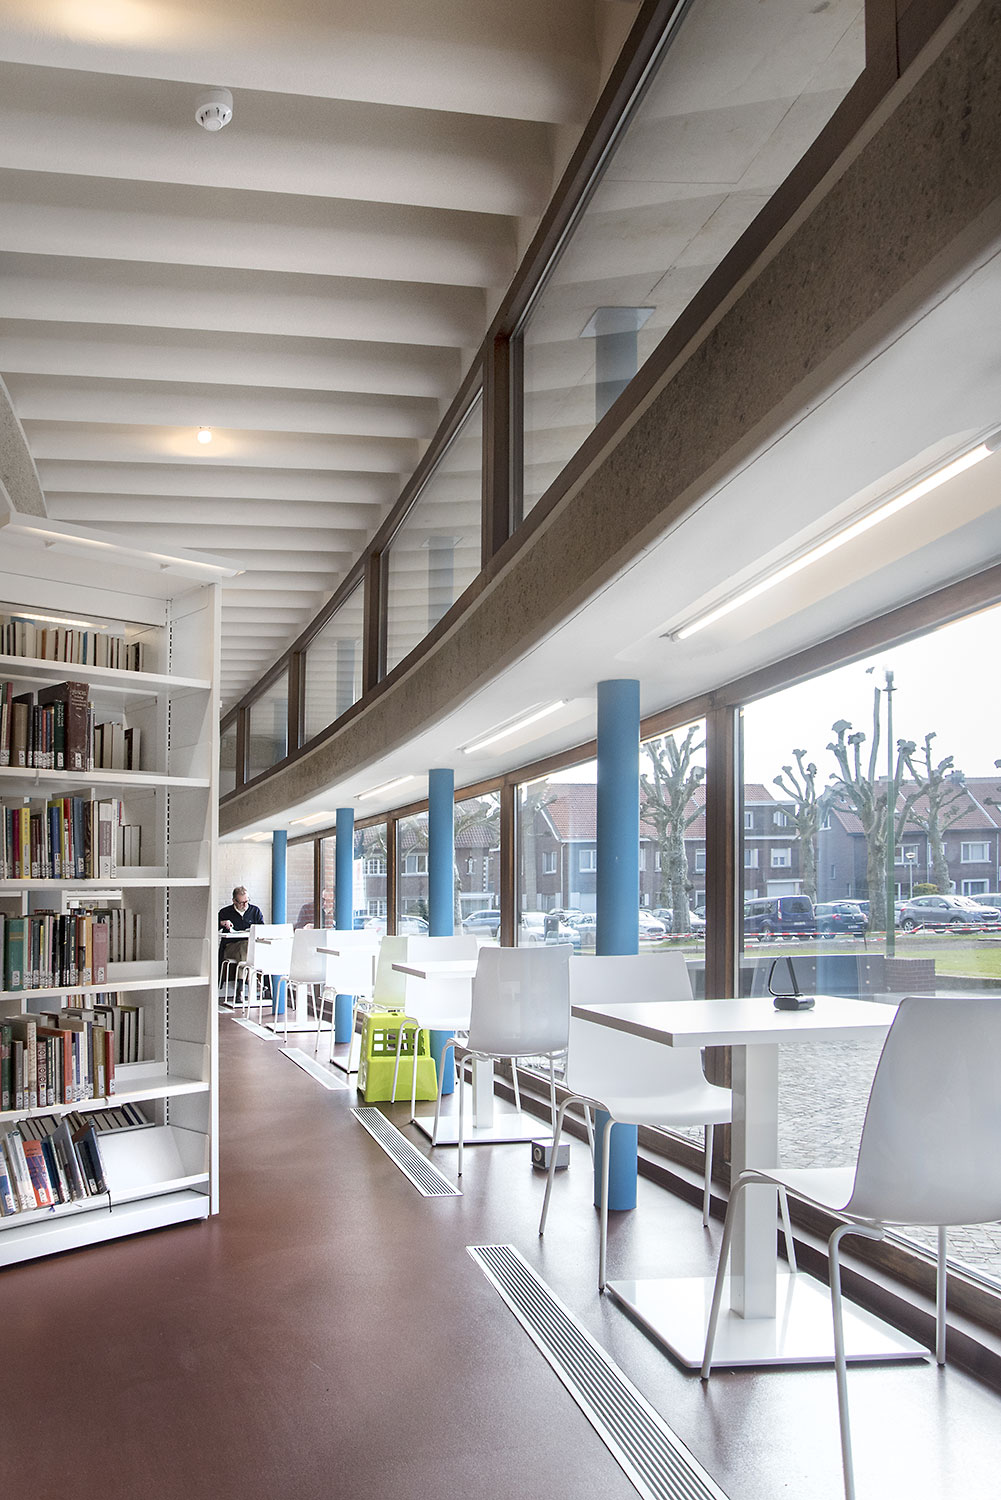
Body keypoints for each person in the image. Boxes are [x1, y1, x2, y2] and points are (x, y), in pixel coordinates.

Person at [218, 886, 265, 1000]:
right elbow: (211, 927)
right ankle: (251, 981)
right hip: (230, 947)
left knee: (245, 948)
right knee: (245, 946)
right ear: (234, 901)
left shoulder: (255, 911)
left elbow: (261, 929)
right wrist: (222, 923)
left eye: (247, 901)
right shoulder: (225, 912)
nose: (245, 905)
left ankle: (240, 988)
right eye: (241, 903)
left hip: (249, 948)